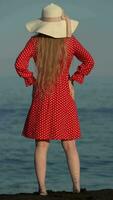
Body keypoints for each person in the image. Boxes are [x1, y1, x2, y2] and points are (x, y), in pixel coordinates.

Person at [14, 3, 95, 196]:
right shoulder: (70, 41)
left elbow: (19, 64)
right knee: (69, 144)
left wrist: (31, 80)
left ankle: (42, 190)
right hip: (64, 96)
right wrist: (74, 79)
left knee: (41, 144)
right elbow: (89, 61)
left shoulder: (34, 42)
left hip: (42, 94)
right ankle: (76, 188)